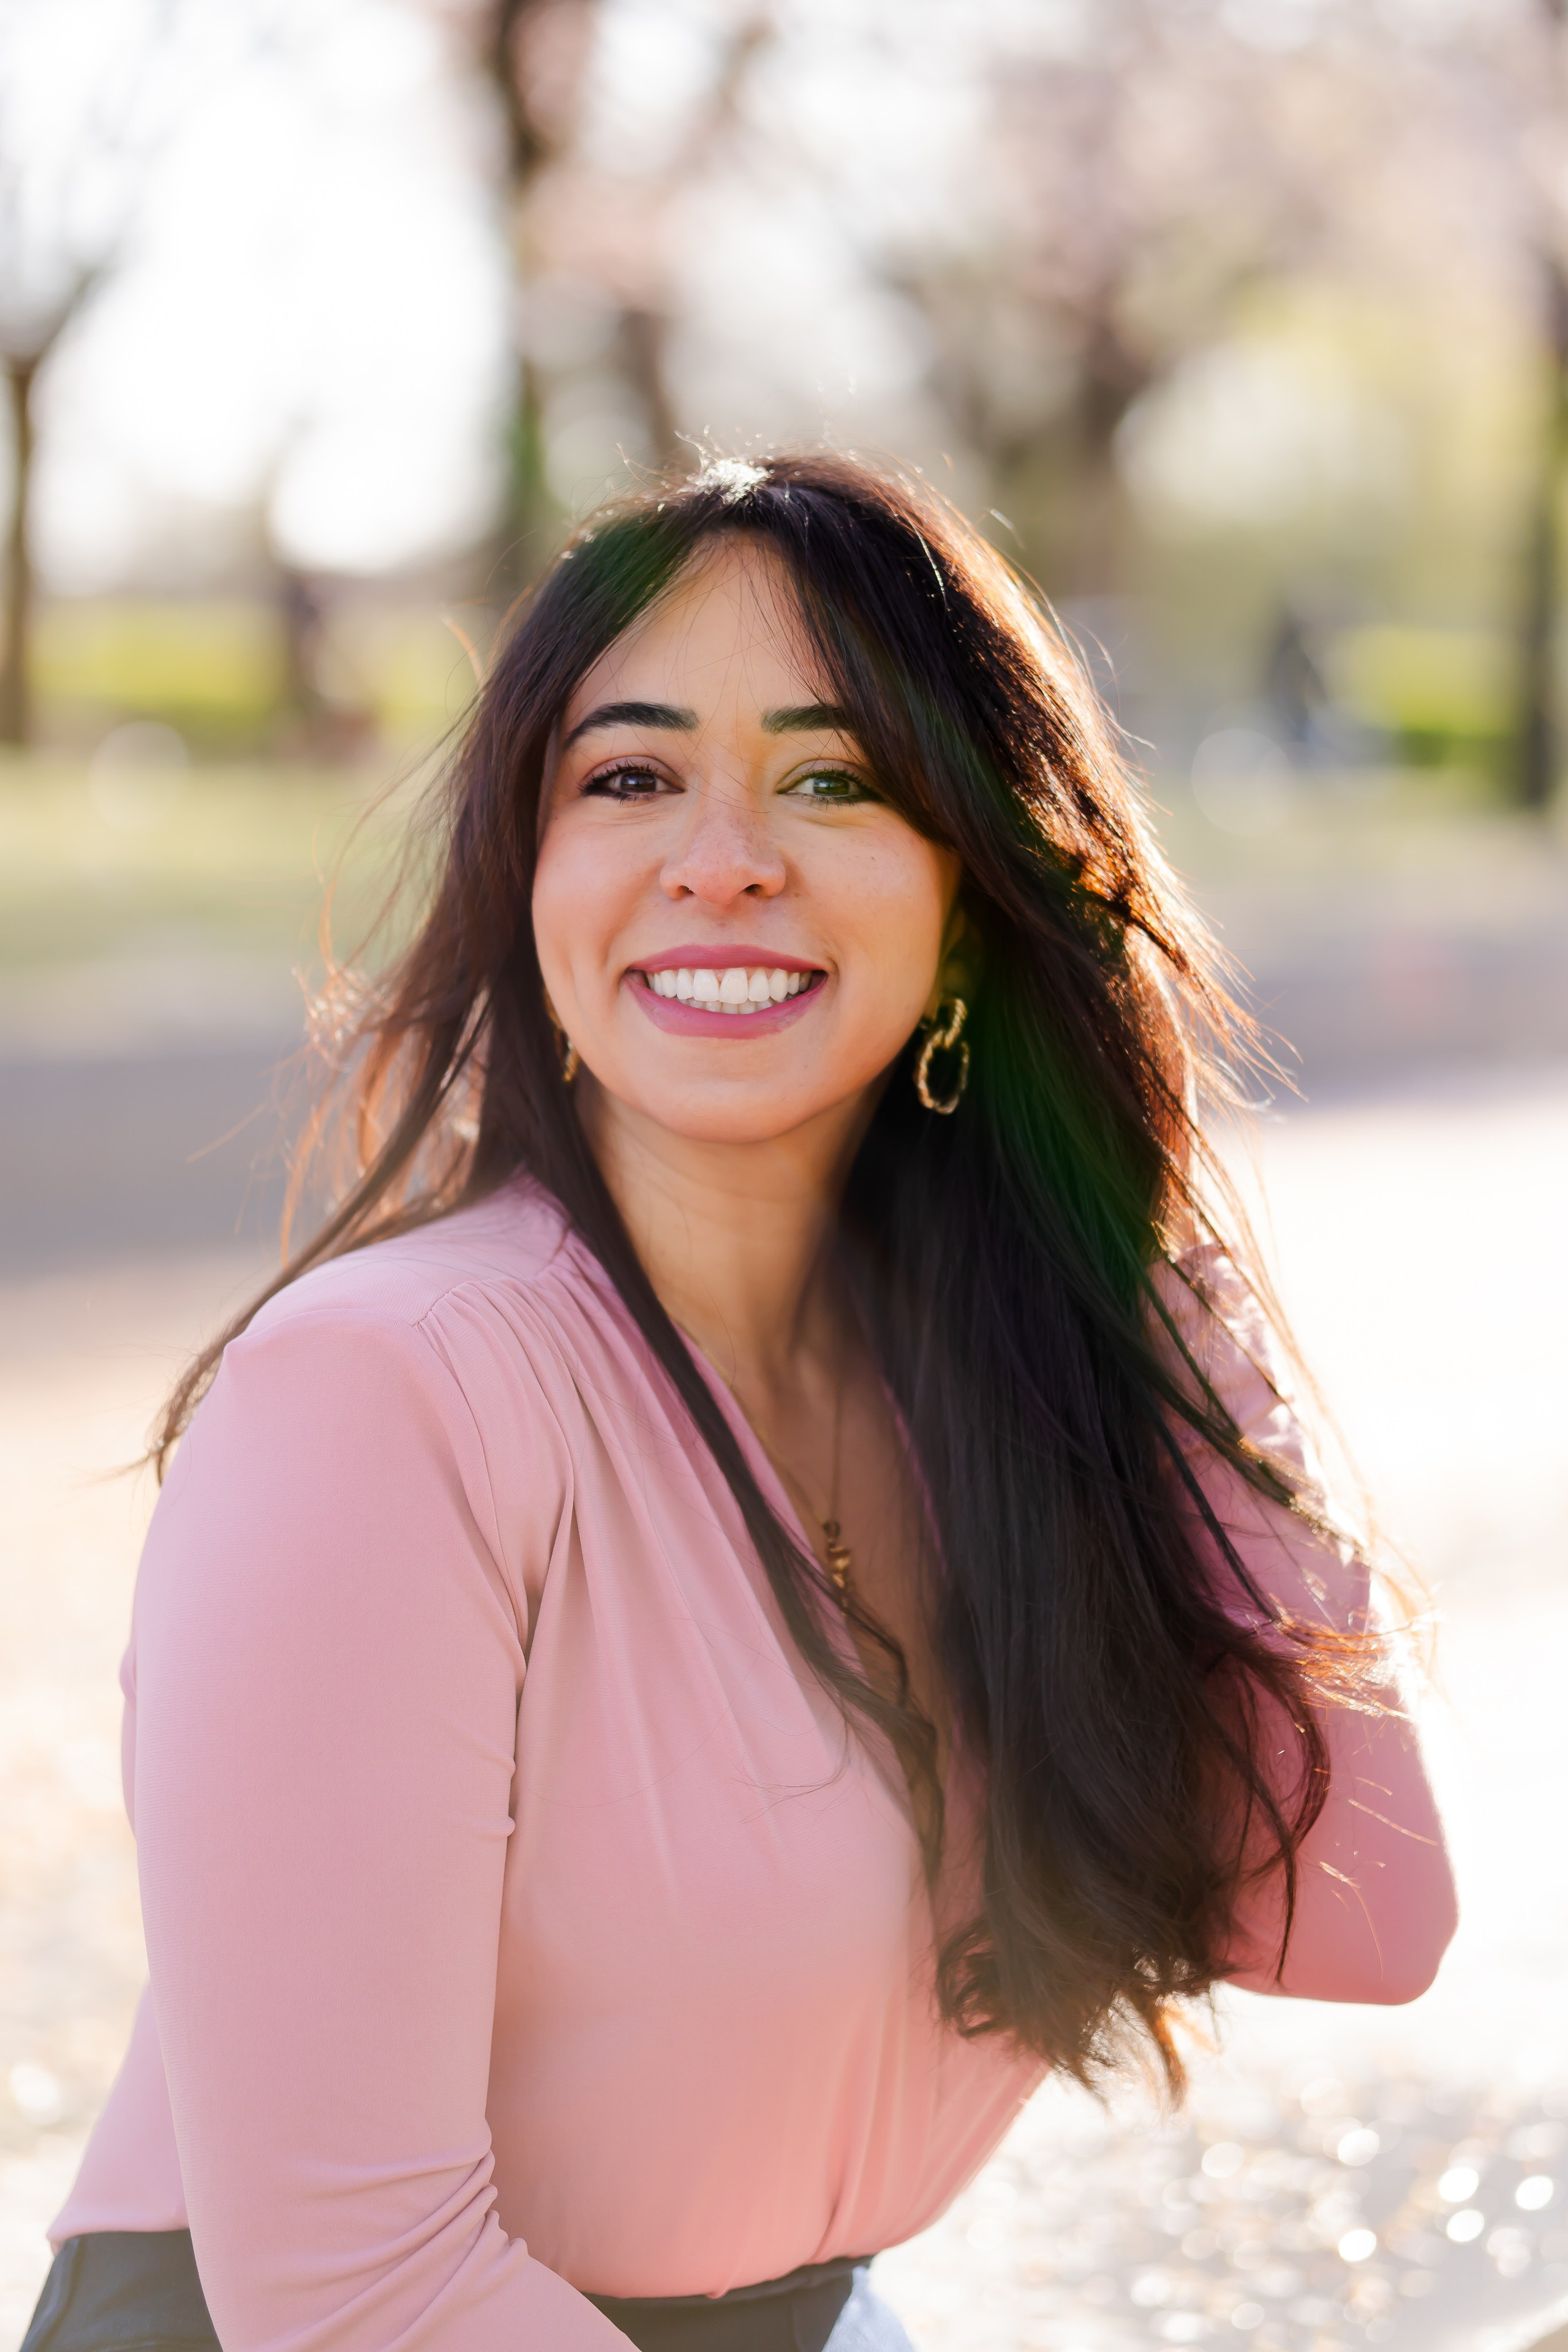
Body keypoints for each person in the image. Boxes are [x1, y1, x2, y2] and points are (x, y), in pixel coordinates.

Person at [23, 454, 1455, 2352]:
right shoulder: (384, 1404)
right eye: (628, 778)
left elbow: (1362, 1915)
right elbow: (357, 2294)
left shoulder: (991, 1405)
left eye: (835, 777)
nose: (721, 858)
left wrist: (1139, 1248)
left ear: (975, 891)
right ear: (528, 874)